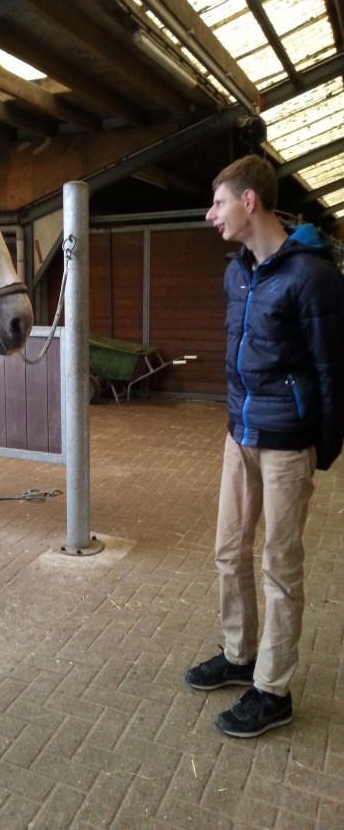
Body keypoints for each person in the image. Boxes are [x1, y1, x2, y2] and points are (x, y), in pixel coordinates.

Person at [185, 155, 344, 738]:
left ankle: (273, 691)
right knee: (229, 551)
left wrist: (321, 448)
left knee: (280, 564)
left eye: (218, 201)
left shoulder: (313, 276)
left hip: (286, 445)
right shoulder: (238, 272)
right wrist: (233, 419)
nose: (211, 214)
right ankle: (238, 654)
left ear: (249, 202)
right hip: (240, 436)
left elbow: (332, 368)